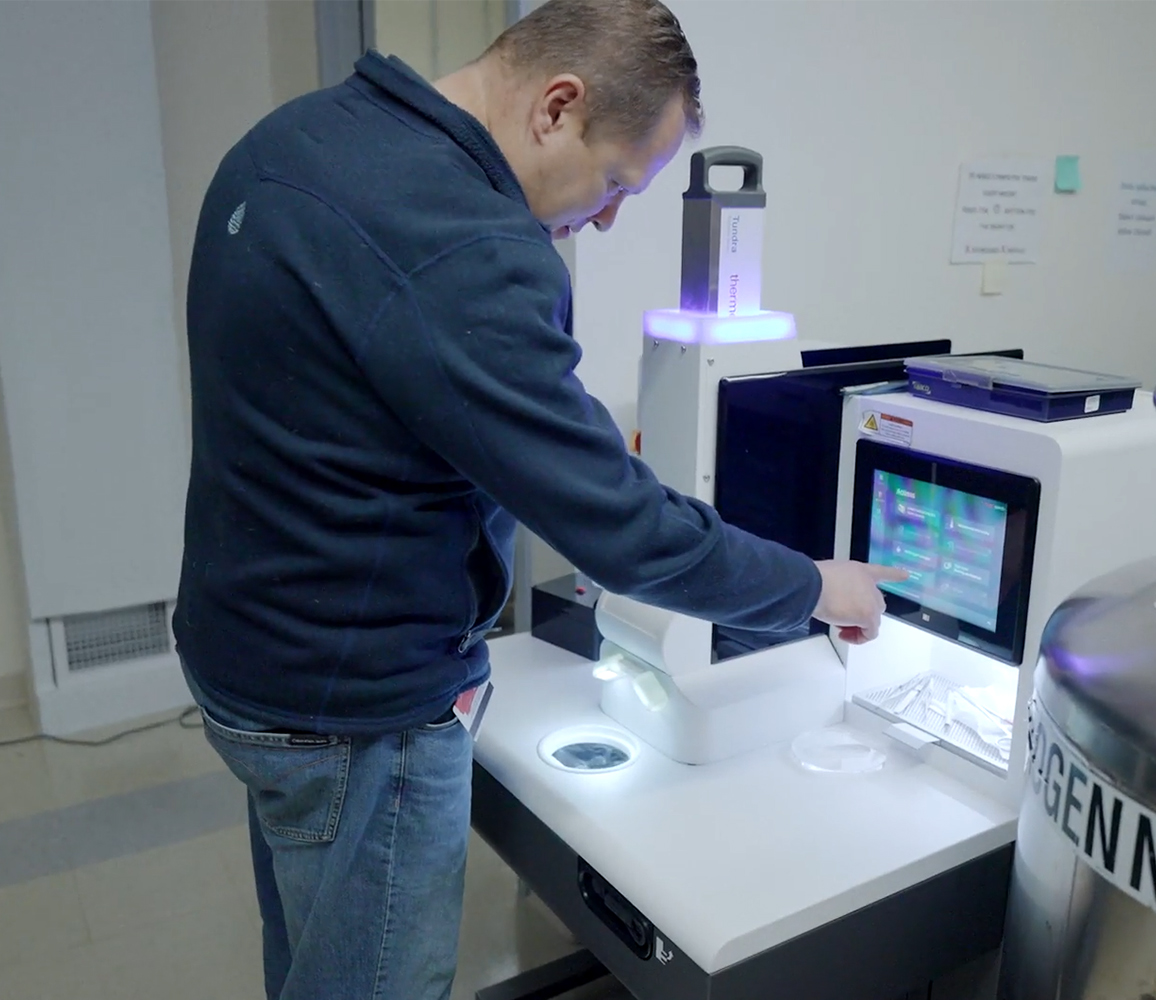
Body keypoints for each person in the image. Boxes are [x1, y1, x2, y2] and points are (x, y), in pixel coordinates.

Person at [172, 1, 903, 997]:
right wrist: (818, 586)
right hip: (357, 713)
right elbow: (630, 539)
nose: (604, 218)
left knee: (312, 955)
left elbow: (361, 396)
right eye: (615, 183)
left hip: (243, 660)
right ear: (557, 107)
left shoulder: (293, 141)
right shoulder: (470, 247)